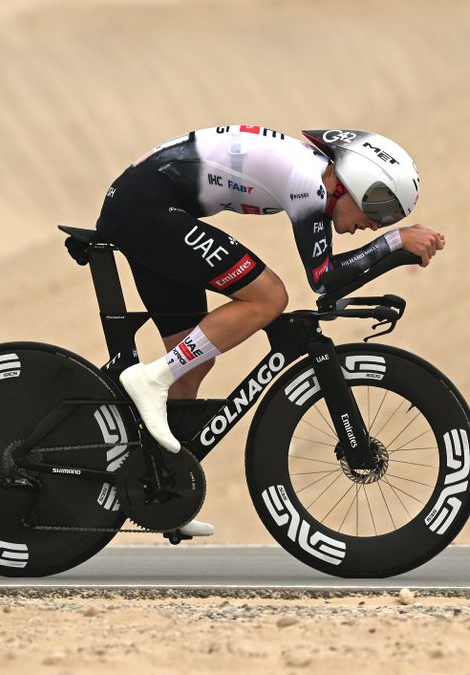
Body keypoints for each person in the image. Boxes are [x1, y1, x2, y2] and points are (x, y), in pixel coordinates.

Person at [95, 126, 445, 537]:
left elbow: (330, 277)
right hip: (148, 207)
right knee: (268, 298)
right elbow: (323, 278)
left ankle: (163, 490)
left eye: (390, 217)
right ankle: (150, 378)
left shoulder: (314, 177)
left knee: (189, 367)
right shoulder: (309, 183)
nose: (373, 223)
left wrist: (392, 243)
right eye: (379, 209)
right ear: (353, 184)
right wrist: (394, 241)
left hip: (149, 205)